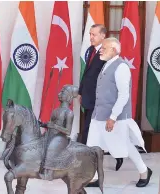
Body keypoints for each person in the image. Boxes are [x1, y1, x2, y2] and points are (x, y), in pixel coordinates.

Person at [87, 37, 152, 187]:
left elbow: (124, 95)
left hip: (113, 117)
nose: (100, 51)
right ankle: (96, 178)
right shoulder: (106, 64)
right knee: (92, 146)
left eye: (104, 48)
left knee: (125, 146)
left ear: (114, 50)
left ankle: (144, 171)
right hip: (98, 115)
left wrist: (113, 117)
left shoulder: (121, 67)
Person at [78, 24, 123, 171]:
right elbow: (87, 74)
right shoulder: (91, 50)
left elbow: (109, 78)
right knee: (91, 131)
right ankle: (116, 154)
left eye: (94, 34)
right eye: (90, 34)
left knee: (89, 131)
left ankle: (89, 165)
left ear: (103, 36)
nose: (91, 37)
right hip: (88, 97)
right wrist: (80, 91)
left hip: (99, 100)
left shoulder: (107, 53)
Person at [39, 85, 79, 181]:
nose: (59, 94)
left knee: (52, 146)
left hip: (61, 137)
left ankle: (49, 171)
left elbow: (68, 131)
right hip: (51, 134)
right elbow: (51, 124)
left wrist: (54, 126)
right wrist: (43, 124)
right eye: (60, 92)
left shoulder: (69, 113)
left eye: (63, 92)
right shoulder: (55, 110)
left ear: (69, 96)